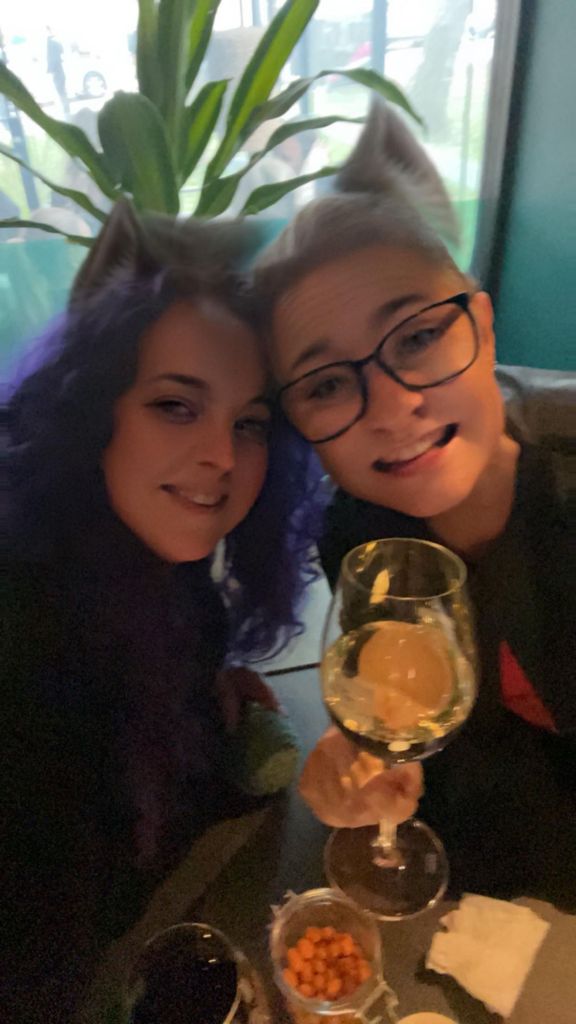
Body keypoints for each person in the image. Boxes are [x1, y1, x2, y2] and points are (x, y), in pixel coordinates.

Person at [2, 201, 326, 1022]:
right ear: (91, 408)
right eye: (176, 405)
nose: (221, 455)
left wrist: (198, 703)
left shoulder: (142, 553)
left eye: (248, 422)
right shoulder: (28, 635)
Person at [255, 102, 576, 908]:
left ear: (484, 327)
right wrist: (373, 763)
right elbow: (435, 728)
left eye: (417, 337)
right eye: (328, 384)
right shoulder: (360, 537)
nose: (393, 407)